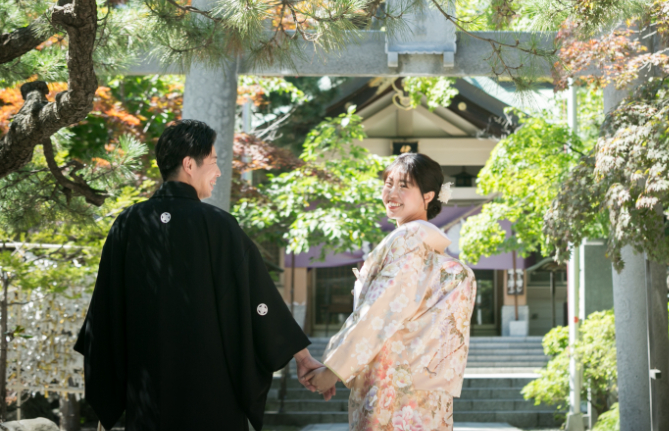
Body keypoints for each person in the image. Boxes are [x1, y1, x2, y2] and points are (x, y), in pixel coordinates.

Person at [74, 119, 326, 431]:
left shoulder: (128, 224)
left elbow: (104, 313)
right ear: (189, 164)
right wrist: (302, 357)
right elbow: (259, 301)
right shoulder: (218, 226)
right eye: (215, 162)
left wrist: (108, 400)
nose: (219, 172)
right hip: (211, 400)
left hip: (148, 401)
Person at [306, 153, 476, 431]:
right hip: (424, 389)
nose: (391, 192)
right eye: (388, 183)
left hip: (392, 387)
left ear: (428, 196)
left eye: (404, 185)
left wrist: (335, 370)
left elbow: (381, 309)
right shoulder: (428, 244)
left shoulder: (408, 239)